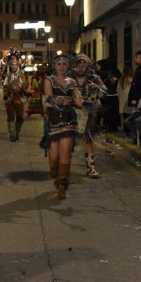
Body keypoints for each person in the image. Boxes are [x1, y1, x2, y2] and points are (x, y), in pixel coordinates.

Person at [44, 54, 83, 200]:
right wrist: (59, 100)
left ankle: (62, 185)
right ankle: (56, 176)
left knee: (65, 153)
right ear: (54, 65)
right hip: (53, 120)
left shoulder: (72, 82)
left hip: (68, 120)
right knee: (54, 158)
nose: (61, 66)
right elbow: (49, 97)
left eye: (64, 64)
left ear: (68, 66)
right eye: (59, 64)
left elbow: (77, 100)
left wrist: (82, 99)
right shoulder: (49, 80)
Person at [70, 53, 107, 178]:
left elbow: (105, 91)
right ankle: (64, 166)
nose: (81, 67)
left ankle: (91, 168)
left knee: (88, 138)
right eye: (78, 65)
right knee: (68, 140)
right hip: (71, 112)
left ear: (87, 66)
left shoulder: (94, 77)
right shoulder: (69, 77)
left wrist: (97, 87)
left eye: (83, 64)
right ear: (74, 66)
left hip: (89, 112)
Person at [2, 50, 26, 141]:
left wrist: (21, 86)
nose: (13, 66)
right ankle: (12, 135)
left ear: (18, 64)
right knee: (11, 116)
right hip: (10, 98)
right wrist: (8, 89)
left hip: (19, 97)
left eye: (15, 64)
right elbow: (4, 86)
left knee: (20, 117)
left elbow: (25, 85)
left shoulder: (21, 74)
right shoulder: (7, 75)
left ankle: (17, 132)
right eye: (12, 64)